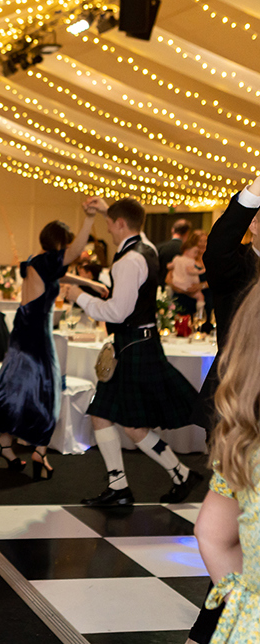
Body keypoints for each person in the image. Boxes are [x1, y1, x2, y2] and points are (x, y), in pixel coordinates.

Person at [66, 197, 202, 507]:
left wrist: (80, 297)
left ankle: (128, 486)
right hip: (143, 343)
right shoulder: (148, 248)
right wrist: (106, 209)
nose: (110, 231)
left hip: (132, 346)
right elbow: (132, 225)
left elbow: (117, 311)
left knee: (117, 419)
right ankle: (165, 476)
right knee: (119, 419)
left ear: (121, 225)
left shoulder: (128, 261)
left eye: (110, 224)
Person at [0, 206, 100, 480]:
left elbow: (61, 274)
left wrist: (92, 285)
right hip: (36, 335)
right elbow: (74, 253)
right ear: (60, 242)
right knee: (46, 394)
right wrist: (89, 218)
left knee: (22, 391)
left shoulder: (37, 260)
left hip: (23, 331)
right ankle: (39, 452)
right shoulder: (49, 260)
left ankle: (4, 444)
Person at [186, 176, 260, 644]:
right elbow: (216, 246)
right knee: (228, 530)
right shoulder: (237, 266)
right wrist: (255, 189)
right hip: (241, 415)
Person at [168, 233, 206, 312]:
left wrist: (202, 285)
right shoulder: (184, 260)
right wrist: (181, 288)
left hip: (204, 298)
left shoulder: (211, 260)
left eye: (206, 241)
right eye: (200, 241)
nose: (203, 244)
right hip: (183, 298)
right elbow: (168, 279)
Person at [157, 218, 192, 284]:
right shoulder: (186, 250)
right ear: (187, 233)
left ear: (172, 230)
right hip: (180, 287)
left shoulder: (159, 247)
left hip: (160, 287)